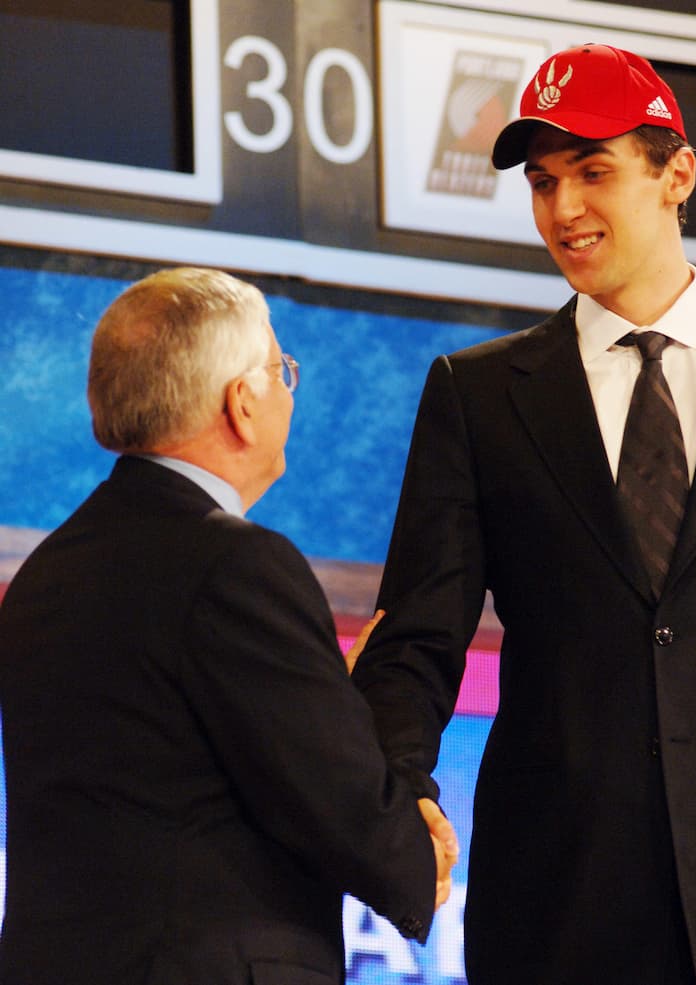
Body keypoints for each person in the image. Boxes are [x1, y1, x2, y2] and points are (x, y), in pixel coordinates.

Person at [352, 44, 696, 985]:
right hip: (558, 904)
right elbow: (419, 632)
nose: (564, 210)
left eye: (593, 172)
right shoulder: (478, 393)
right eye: (543, 183)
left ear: (678, 174)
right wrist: (401, 782)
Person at [0, 267, 458, 985]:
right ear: (241, 402)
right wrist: (412, 838)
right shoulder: (237, 566)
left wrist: (319, 697)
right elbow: (353, 819)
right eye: (282, 371)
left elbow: (173, 759)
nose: (287, 390)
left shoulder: (48, 572)